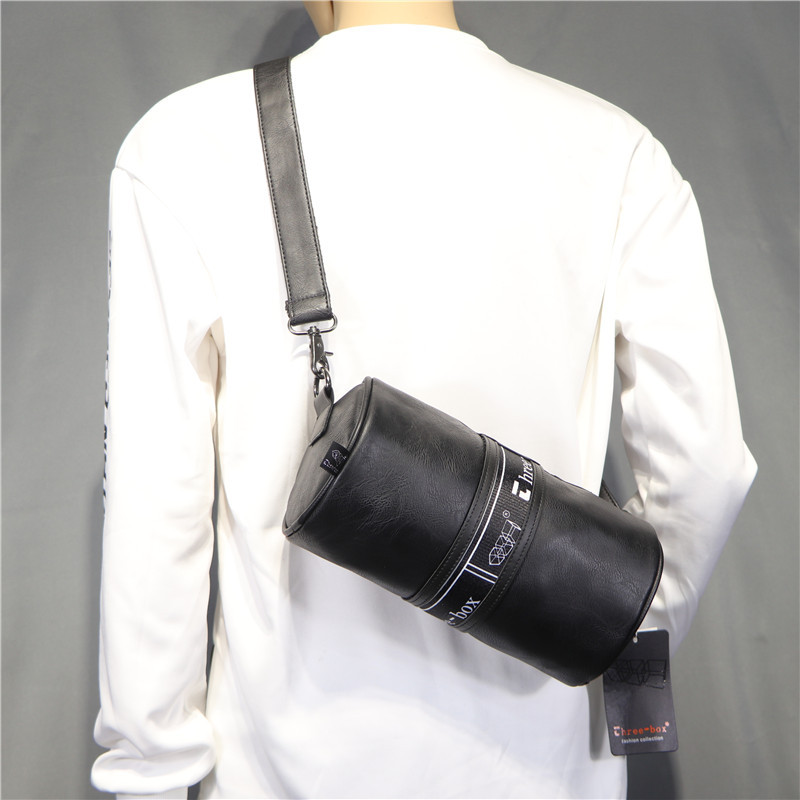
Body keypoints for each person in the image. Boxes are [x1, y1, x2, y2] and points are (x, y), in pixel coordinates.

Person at [91, 2, 756, 798]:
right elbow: (704, 468)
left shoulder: (183, 146)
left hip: (286, 774)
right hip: (546, 772)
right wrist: (610, 630)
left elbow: (154, 502)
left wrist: (151, 773)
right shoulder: (618, 154)